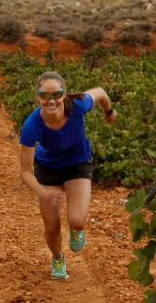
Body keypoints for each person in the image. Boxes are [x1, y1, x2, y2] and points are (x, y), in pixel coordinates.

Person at [18, 71, 117, 279]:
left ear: (64, 95)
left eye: (56, 94)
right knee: (52, 226)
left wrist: (109, 111)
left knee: (77, 220)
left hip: (77, 163)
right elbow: (25, 172)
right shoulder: (31, 125)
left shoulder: (78, 105)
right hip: (47, 168)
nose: (51, 100)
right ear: (37, 97)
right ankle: (57, 257)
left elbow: (99, 92)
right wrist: (42, 191)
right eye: (45, 96)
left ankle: (76, 229)